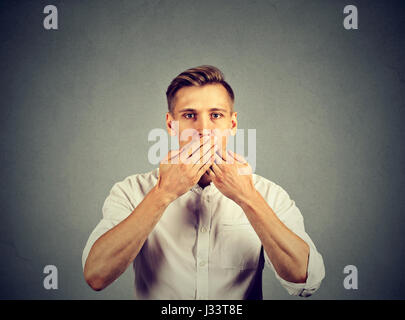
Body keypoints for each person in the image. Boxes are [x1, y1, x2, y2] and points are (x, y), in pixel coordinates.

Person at [82, 65, 325, 299]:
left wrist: (248, 198)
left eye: (216, 115)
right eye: (189, 115)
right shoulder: (131, 192)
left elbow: (305, 280)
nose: (204, 129)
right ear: (171, 124)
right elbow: (96, 276)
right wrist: (162, 193)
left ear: (232, 123)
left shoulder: (268, 194)